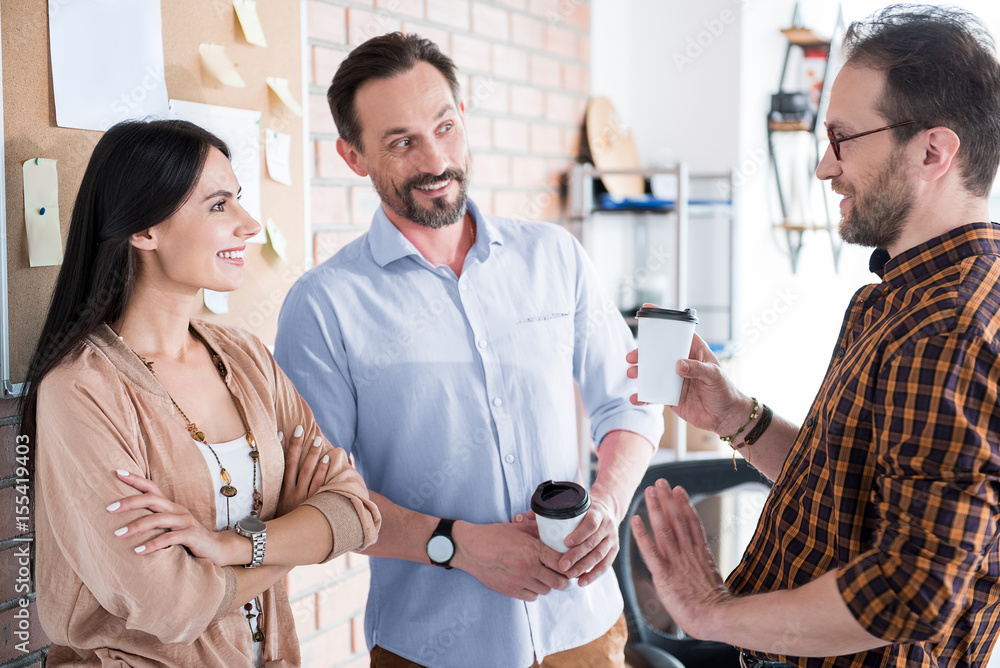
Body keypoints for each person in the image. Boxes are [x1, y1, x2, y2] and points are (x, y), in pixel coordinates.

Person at [274, 32, 664, 668]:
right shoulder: (323, 306)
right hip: (430, 647)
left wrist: (608, 503)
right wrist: (455, 545)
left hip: (583, 631)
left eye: (445, 126)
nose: (436, 159)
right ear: (354, 156)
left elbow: (628, 402)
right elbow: (320, 495)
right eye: (401, 142)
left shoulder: (554, 258)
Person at [628, 5, 1000, 668]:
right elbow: (847, 490)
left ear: (933, 152)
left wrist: (710, 611)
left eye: (843, 138)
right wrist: (736, 417)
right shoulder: (889, 302)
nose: (826, 167)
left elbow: (910, 593)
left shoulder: (950, 326)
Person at [22, 119, 381, 667]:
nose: (250, 224)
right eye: (219, 206)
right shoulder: (80, 390)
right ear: (145, 230)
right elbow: (171, 603)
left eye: (238, 200)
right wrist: (291, 532)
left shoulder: (247, 358)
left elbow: (355, 512)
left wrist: (234, 545)